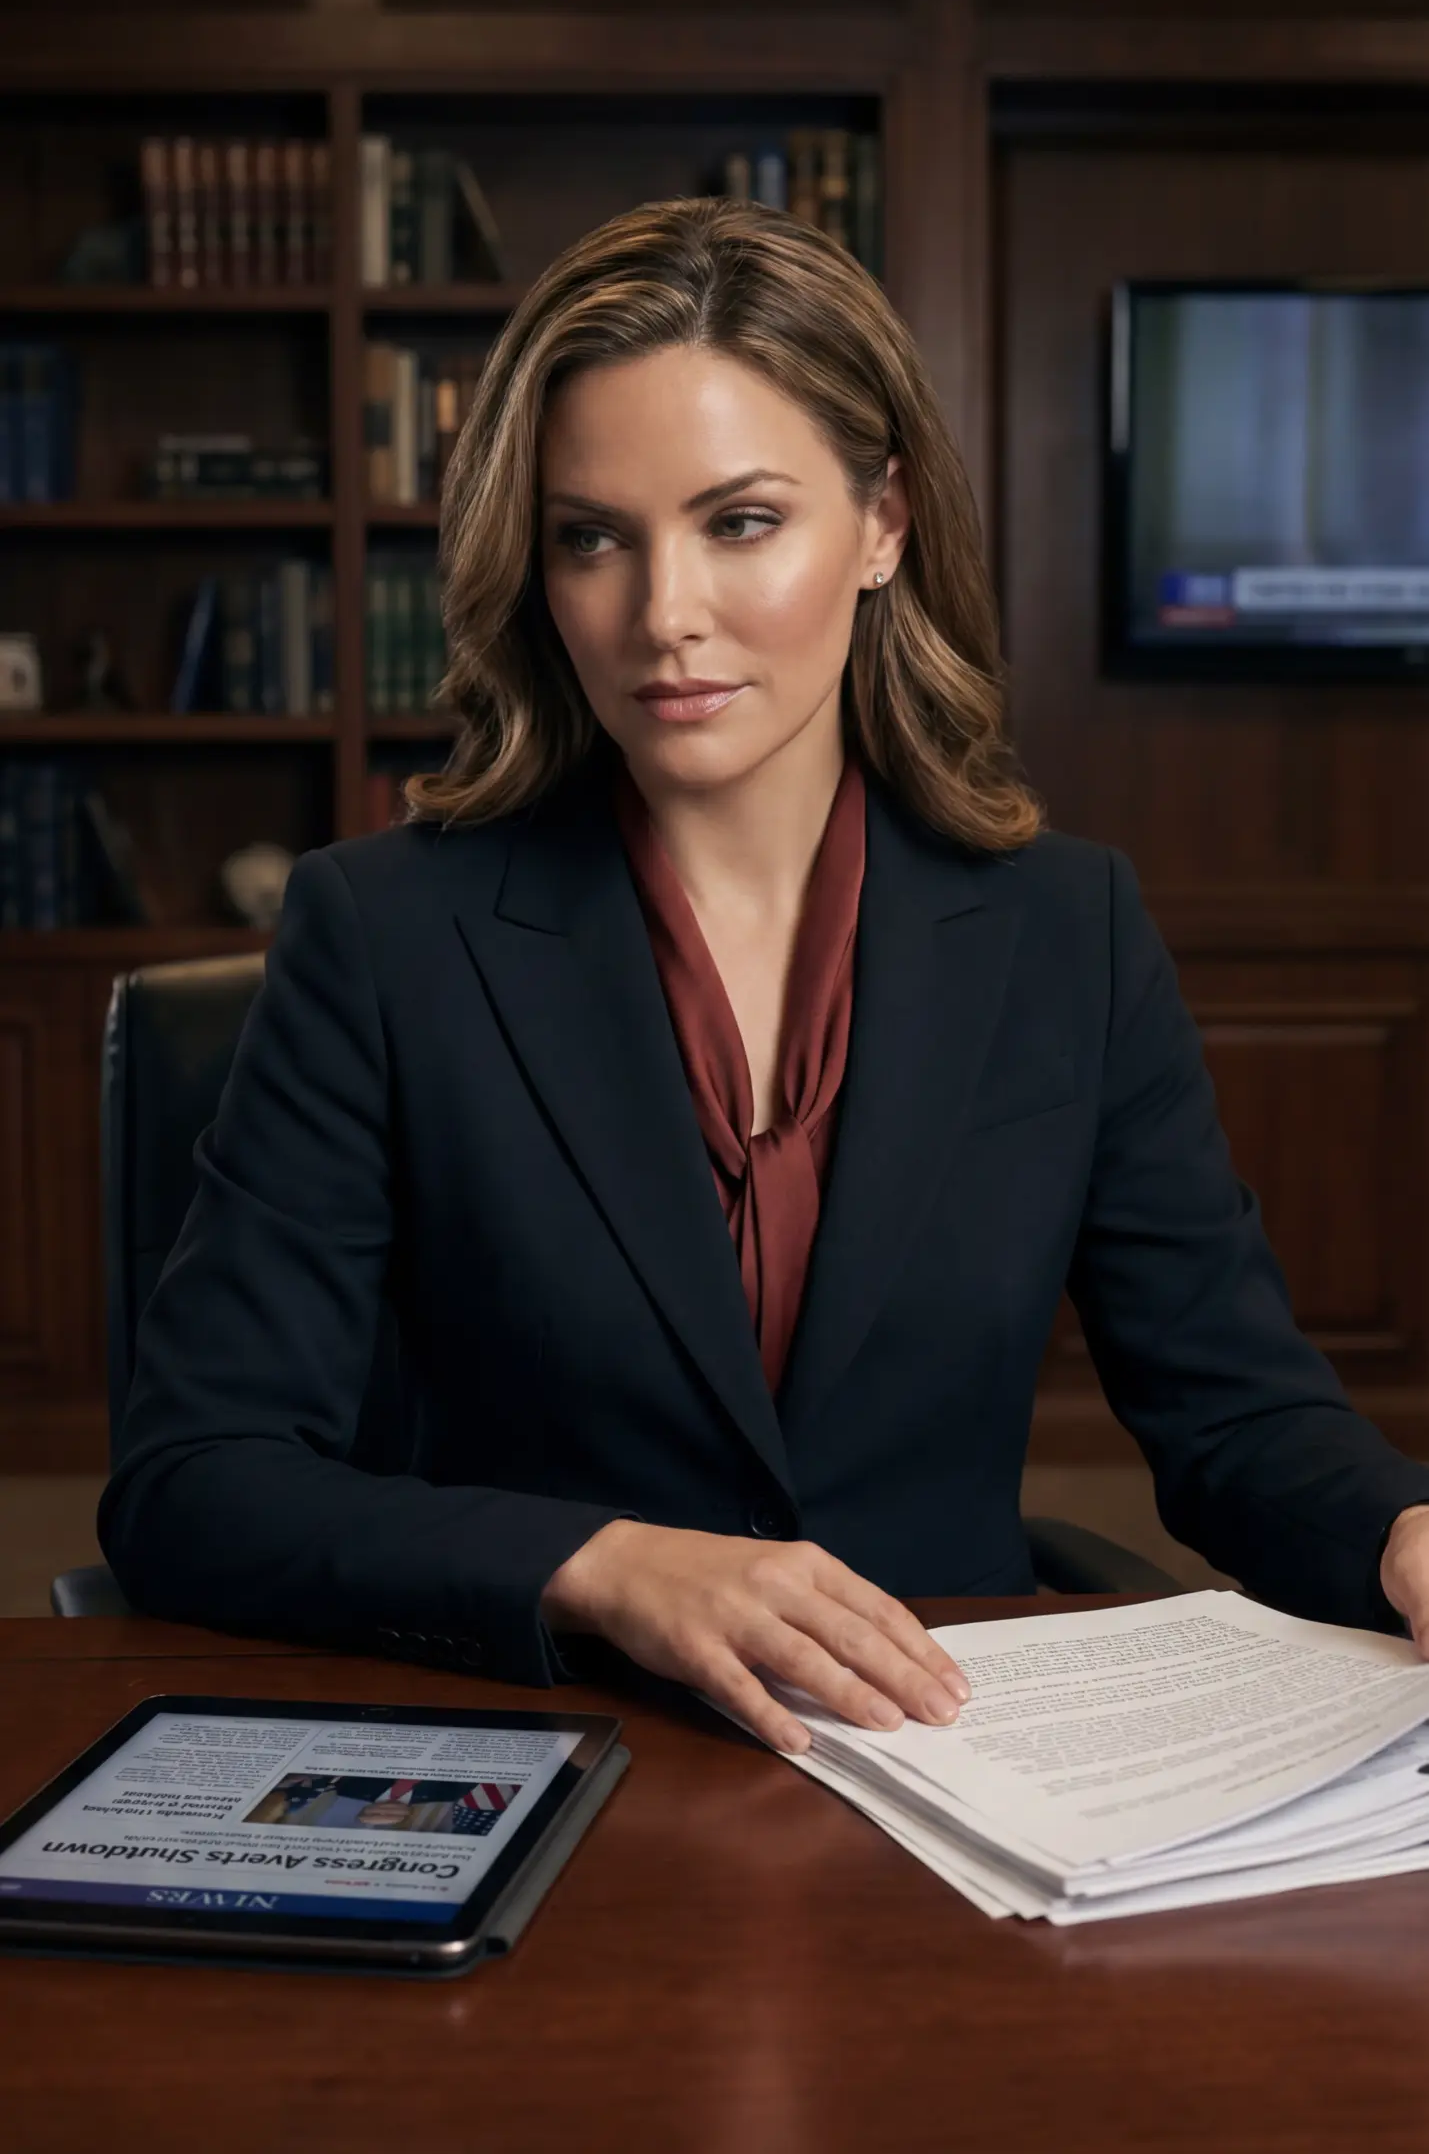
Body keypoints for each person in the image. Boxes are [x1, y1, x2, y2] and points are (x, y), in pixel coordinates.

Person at [98, 197, 1429, 1759]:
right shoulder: (381, 936)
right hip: (541, 1757)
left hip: (961, 1779)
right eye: (594, 536)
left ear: (882, 527)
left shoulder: (1067, 932)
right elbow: (196, 1478)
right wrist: (601, 1567)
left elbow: (1237, 1417)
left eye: (740, 522)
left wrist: (1399, 1528)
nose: (663, 615)